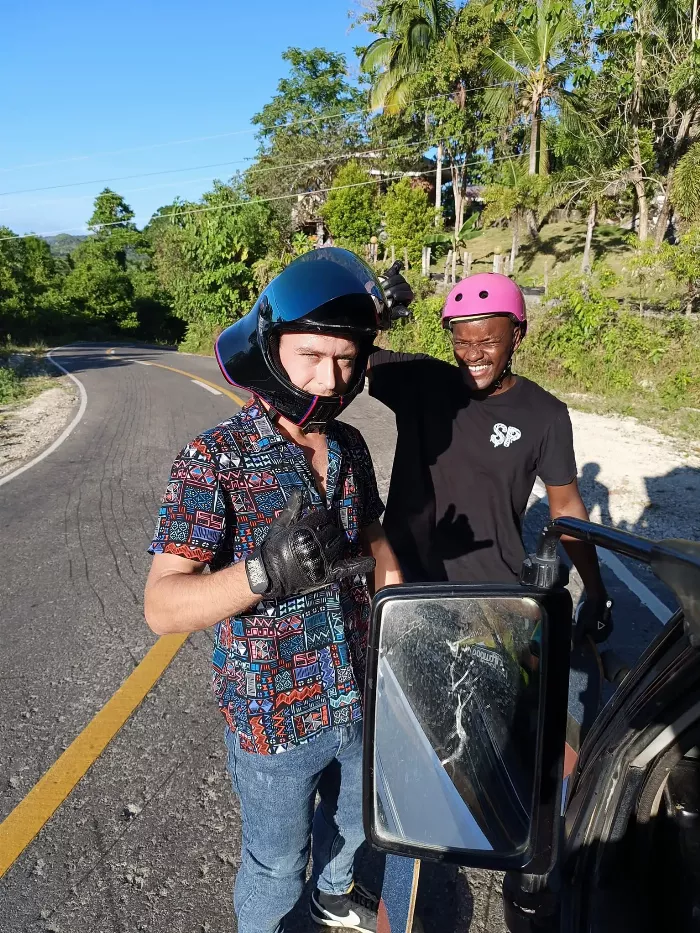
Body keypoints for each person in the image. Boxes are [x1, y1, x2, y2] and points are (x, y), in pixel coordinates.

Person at [144, 248, 404, 933]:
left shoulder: (348, 445)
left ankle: (335, 889)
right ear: (270, 347)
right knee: (274, 863)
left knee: (354, 827)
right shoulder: (214, 458)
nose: (331, 378)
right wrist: (262, 570)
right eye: (312, 355)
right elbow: (163, 604)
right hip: (273, 723)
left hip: (357, 691)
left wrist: (402, 603)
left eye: (347, 360)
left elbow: (371, 534)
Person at [370, 269, 613, 639]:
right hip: (405, 587)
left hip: (493, 597)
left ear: (518, 336)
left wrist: (595, 591)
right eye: (462, 342)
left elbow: (565, 508)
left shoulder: (545, 414)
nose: (472, 355)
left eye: (488, 342)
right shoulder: (420, 380)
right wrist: (373, 314)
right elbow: (340, 354)